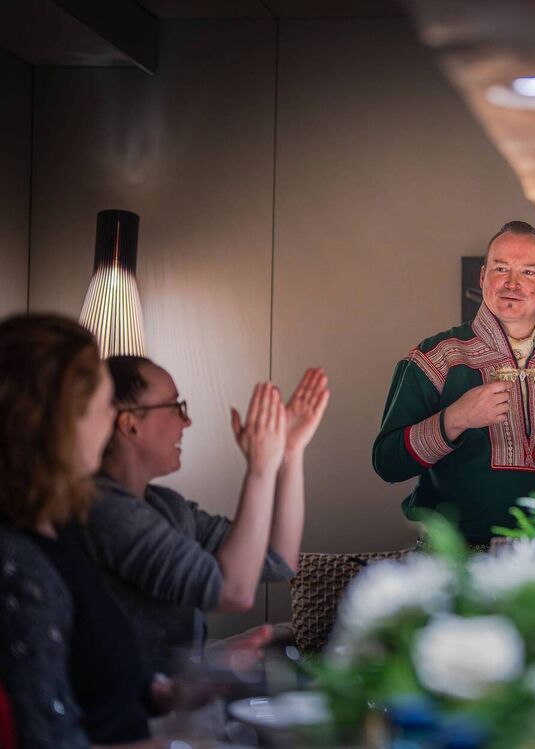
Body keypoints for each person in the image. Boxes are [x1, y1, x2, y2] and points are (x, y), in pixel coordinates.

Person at [372, 220, 535, 545]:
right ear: (483, 276)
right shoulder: (436, 358)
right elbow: (387, 464)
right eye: (501, 268)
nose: (512, 283)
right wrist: (454, 419)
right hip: (455, 564)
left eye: (528, 272)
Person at [76, 357, 329, 679]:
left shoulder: (167, 506)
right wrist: (260, 469)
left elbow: (277, 560)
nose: (187, 421)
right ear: (130, 424)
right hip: (129, 718)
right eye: (175, 407)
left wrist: (290, 453)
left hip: (174, 695)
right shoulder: (104, 511)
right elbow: (234, 592)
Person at [0, 314, 156, 748]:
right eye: (106, 404)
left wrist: (168, 691)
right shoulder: (18, 565)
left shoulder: (57, 530)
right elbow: (50, 738)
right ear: (60, 420)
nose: (113, 418)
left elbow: (93, 678)